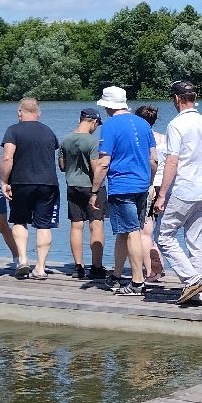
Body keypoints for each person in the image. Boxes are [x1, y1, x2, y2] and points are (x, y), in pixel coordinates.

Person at [154, 80, 202, 307]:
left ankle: (192, 280)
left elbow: (172, 161)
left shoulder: (176, 125)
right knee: (194, 238)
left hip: (184, 188)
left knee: (164, 237)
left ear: (176, 98)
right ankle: (197, 293)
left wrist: (162, 194)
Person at [90, 86, 156, 297]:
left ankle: (137, 282)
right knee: (124, 231)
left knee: (133, 232)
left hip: (121, 187)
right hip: (141, 186)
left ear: (109, 106)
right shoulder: (143, 124)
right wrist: (150, 182)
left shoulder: (109, 127)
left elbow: (103, 163)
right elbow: (153, 159)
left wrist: (94, 190)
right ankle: (117, 275)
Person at [0, 97, 61, 280]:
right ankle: (40, 268)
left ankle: (23, 260)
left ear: (20, 112)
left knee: (19, 221)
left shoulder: (13, 131)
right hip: (48, 184)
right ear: (38, 113)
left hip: (21, 183)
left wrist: (4, 181)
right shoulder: (49, 132)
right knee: (43, 225)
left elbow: (7, 158)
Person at [59, 108, 108, 278]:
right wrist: (97, 188)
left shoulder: (65, 139)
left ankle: (78, 267)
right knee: (96, 224)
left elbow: (62, 166)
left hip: (72, 186)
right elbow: (96, 168)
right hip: (91, 187)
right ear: (93, 121)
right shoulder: (93, 141)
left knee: (76, 225)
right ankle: (96, 267)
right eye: (97, 124)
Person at [133, 104, 166, 283]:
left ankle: (150, 272)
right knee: (161, 232)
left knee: (145, 232)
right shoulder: (164, 138)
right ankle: (159, 264)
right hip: (165, 187)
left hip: (148, 185)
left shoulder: (140, 140)